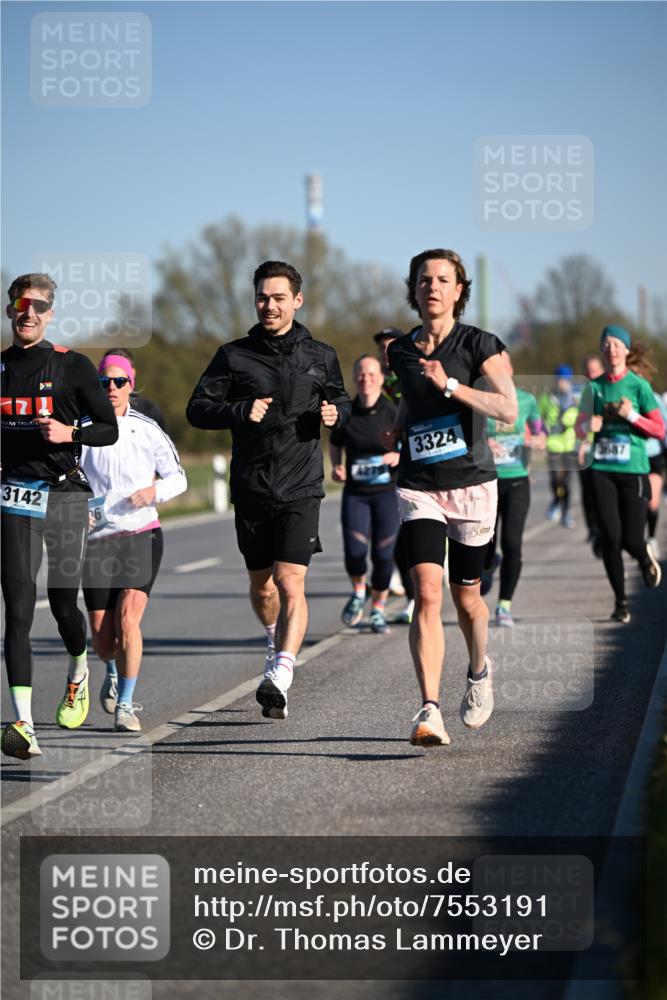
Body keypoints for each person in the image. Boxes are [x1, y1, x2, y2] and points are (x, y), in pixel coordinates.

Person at [186, 261, 351, 720]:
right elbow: (197, 409)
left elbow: (340, 399)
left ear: (297, 300)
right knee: (263, 589)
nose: (270, 305)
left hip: (301, 486)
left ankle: (281, 671)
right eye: (263, 297)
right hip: (252, 488)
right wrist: (240, 411)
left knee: (290, 580)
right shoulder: (233, 355)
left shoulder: (320, 354)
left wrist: (337, 414)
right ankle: (272, 636)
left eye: (279, 297)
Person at [384, 249, 517, 746]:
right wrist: (397, 425)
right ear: (413, 289)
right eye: (424, 279)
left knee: (467, 599)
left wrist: (453, 385)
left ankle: (480, 671)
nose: (432, 287)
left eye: (443, 279)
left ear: (460, 290)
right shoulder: (400, 350)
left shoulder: (481, 344)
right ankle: (430, 709)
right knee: (427, 590)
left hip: (473, 485)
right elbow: (410, 398)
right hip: (420, 485)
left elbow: (507, 408)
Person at [1, 273, 118, 759]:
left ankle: (78, 666)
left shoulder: (73, 366)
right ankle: (23, 724)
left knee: (64, 602)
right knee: (19, 608)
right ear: (10, 310)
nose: (29, 313)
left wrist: (71, 433)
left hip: (65, 494)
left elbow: (108, 430)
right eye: (20, 304)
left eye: (39, 307)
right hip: (14, 496)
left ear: (51, 314)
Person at [80, 353, 187, 731]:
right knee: (103, 639)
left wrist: (153, 491)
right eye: (104, 382)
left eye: (119, 382)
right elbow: (65, 476)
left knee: (128, 622)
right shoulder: (82, 429)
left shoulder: (147, 428)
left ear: (130, 383)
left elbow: (179, 477)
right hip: (96, 540)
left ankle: (126, 704)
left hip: (141, 533)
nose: (111, 388)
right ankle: (110, 670)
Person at [576, 325, 664, 623]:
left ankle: (642, 557)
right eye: (606, 344)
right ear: (602, 350)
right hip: (602, 470)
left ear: (626, 350)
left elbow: (659, 429)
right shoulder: (594, 387)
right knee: (610, 538)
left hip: (634, 470)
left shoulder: (639, 387)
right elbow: (578, 426)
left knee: (631, 538)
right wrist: (589, 427)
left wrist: (631, 416)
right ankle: (620, 602)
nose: (611, 349)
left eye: (616, 344)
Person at [329, 354, 400, 634]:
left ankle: (379, 611)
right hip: (356, 494)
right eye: (360, 373)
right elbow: (335, 442)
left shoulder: (394, 412)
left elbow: (410, 442)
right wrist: (337, 465)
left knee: (383, 556)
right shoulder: (346, 412)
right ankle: (360, 591)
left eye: (371, 374)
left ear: (382, 378)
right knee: (356, 553)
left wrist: (398, 454)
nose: (365, 379)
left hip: (387, 494)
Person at [481, 351, 545, 627]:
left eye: (501, 363)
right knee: (485, 544)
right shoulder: (479, 400)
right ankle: (487, 564)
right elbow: (469, 435)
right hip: (486, 482)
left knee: (513, 543)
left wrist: (539, 440)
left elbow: (540, 431)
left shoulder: (527, 401)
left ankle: (504, 605)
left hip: (518, 480)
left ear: (510, 368)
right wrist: (484, 444)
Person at [373, 327, 415, 623]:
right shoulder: (379, 381)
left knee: (412, 536)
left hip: (417, 464)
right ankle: (410, 592)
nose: (385, 354)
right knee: (394, 536)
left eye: (391, 347)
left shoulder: (411, 376)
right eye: (381, 349)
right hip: (389, 470)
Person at [622, 341, 667, 558]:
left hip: (654, 456)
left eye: (637, 373)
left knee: (653, 502)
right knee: (633, 505)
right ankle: (633, 540)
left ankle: (651, 538)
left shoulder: (654, 398)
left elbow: (663, 429)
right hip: (631, 457)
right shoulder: (621, 400)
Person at [538, 364, 580, 528]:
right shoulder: (546, 398)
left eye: (566, 381)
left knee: (567, 482)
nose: (563, 383)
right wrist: (542, 430)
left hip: (570, 445)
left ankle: (566, 512)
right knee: (555, 479)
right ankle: (556, 501)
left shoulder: (576, 399)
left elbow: (581, 419)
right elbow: (537, 418)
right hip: (553, 444)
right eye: (560, 380)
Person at [100, 346, 169, 432]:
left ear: (132, 372)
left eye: (120, 380)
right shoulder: (86, 413)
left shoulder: (149, 412)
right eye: (105, 380)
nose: (112, 387)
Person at [578, 356, 605, 554]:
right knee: (588, 493)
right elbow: (580, 425)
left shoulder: (608, 390)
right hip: (588, 449)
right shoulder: (587, 391)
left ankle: (605, 530)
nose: (591, 374)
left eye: (594, 370)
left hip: (608, 452)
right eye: (588, 371)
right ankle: (594, 530)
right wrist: (584, 440)